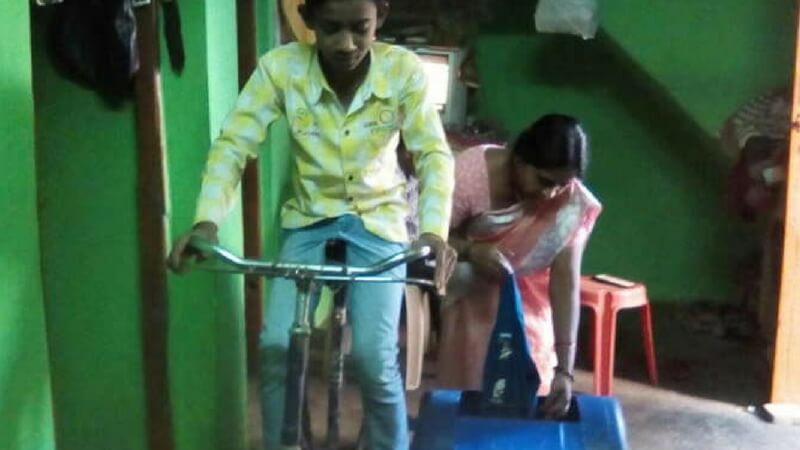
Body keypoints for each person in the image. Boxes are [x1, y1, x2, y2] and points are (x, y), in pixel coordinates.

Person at [167, 1, 455, 448]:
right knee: (278, 347)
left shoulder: (404, 71)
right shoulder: (281, 68)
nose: (346, 44)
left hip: (379, 221)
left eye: (360, 29)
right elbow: (234, 144)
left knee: (374, 358)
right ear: (309, 22)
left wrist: (434, 231)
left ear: (380, 18)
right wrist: (206, 222)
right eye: (330, 29)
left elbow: (433, 155)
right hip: (309, 219)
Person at [436, 114, 601, 418]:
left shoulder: (572, 202)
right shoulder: (474, 171)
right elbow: (433, 239)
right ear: (520, 159)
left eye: (561, 185)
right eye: (544, 181)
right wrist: (472, 250)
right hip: (473, 296)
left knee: (529, 384)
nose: (551, 193)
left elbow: (566, 282)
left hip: (531, 307)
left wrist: (565, 371)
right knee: (473, 394)